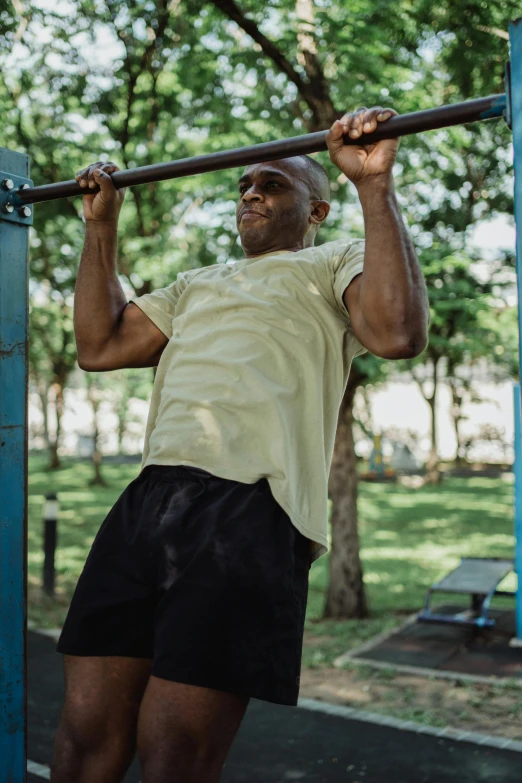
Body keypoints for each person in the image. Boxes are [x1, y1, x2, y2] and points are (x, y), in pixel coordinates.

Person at [51, 106, 429, 783]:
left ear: (316, 209)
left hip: (251, 508)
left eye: (273, 184)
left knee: (174, 753)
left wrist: (374, 187)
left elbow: (397, 332)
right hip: (149, 500)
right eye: (245, 185)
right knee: (84, 740)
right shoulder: (197, 283)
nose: (251, 192)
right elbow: (99, 345)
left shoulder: (330, 263)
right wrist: (99, 229)